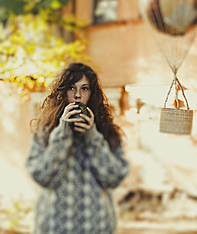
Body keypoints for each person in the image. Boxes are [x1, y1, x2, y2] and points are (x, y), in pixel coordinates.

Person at [26, 63, 129, 234]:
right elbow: (42, 177)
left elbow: (114, 178)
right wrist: (62, 134)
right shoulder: (45, 132)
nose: (78, 96)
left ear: (92, 94)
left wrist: (93, 137)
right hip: (54, 227)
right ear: (62, 93)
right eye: (71, 88)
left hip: (96, 227)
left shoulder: (107, 132)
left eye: (85, 89)